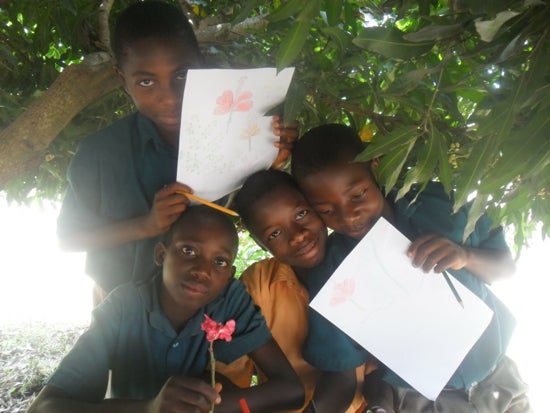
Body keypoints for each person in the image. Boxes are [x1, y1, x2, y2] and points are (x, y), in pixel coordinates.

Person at [56, 0, 297, 300]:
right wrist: (146, 225)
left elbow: (240, 205)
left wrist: (269, 159)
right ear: (123, 79)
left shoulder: (235, 134)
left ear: (200, 64)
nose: (169, 97)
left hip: (204, 304)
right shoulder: (98, 154)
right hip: (118, 307)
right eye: (146, 81)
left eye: (182, 75)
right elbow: (68, 239)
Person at [290, 123, 532, 413]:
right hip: (423, 401)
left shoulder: (438, 204)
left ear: (375, 167)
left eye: (357, 195)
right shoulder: (334, 276)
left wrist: (464, 255)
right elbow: (343, 371)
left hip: (500, 379)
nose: (348, 215)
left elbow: (505, 268)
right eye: (327, 210)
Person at [27, 205, 304, 413]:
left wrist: (215, 405)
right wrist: (150, 408)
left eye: (219, 262)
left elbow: (292, 390)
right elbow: (45, 407)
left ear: (229, 274)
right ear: (161, 255)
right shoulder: (124, 309)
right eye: (188, 251)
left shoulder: (227, 299)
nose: (202, 271)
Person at [215, 169, 369, 413]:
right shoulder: (256, 287)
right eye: (274, 234)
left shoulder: (360, 261)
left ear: (316, 207)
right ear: (261, 245)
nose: (297, 236)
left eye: (301, 213)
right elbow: (229, 379)